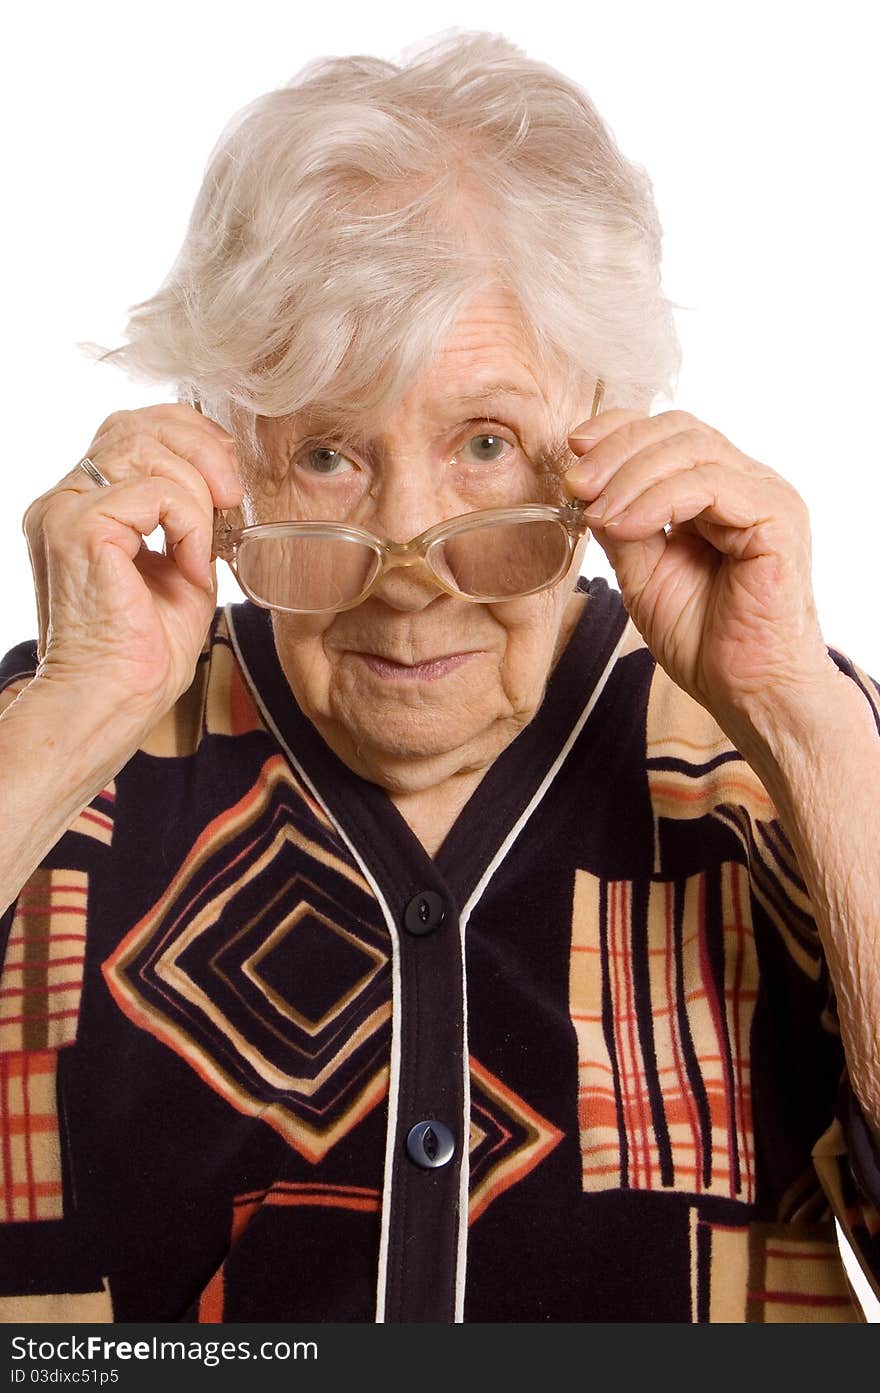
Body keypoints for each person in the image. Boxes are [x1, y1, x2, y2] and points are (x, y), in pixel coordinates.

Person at [0, 28, 878, 1326]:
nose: (408, 565)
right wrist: (66, 716)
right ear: (227, 452)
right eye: (328, 452)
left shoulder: (785, 737)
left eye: (484, 441)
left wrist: (807, 724)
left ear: (605, 430)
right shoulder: (59, 732)